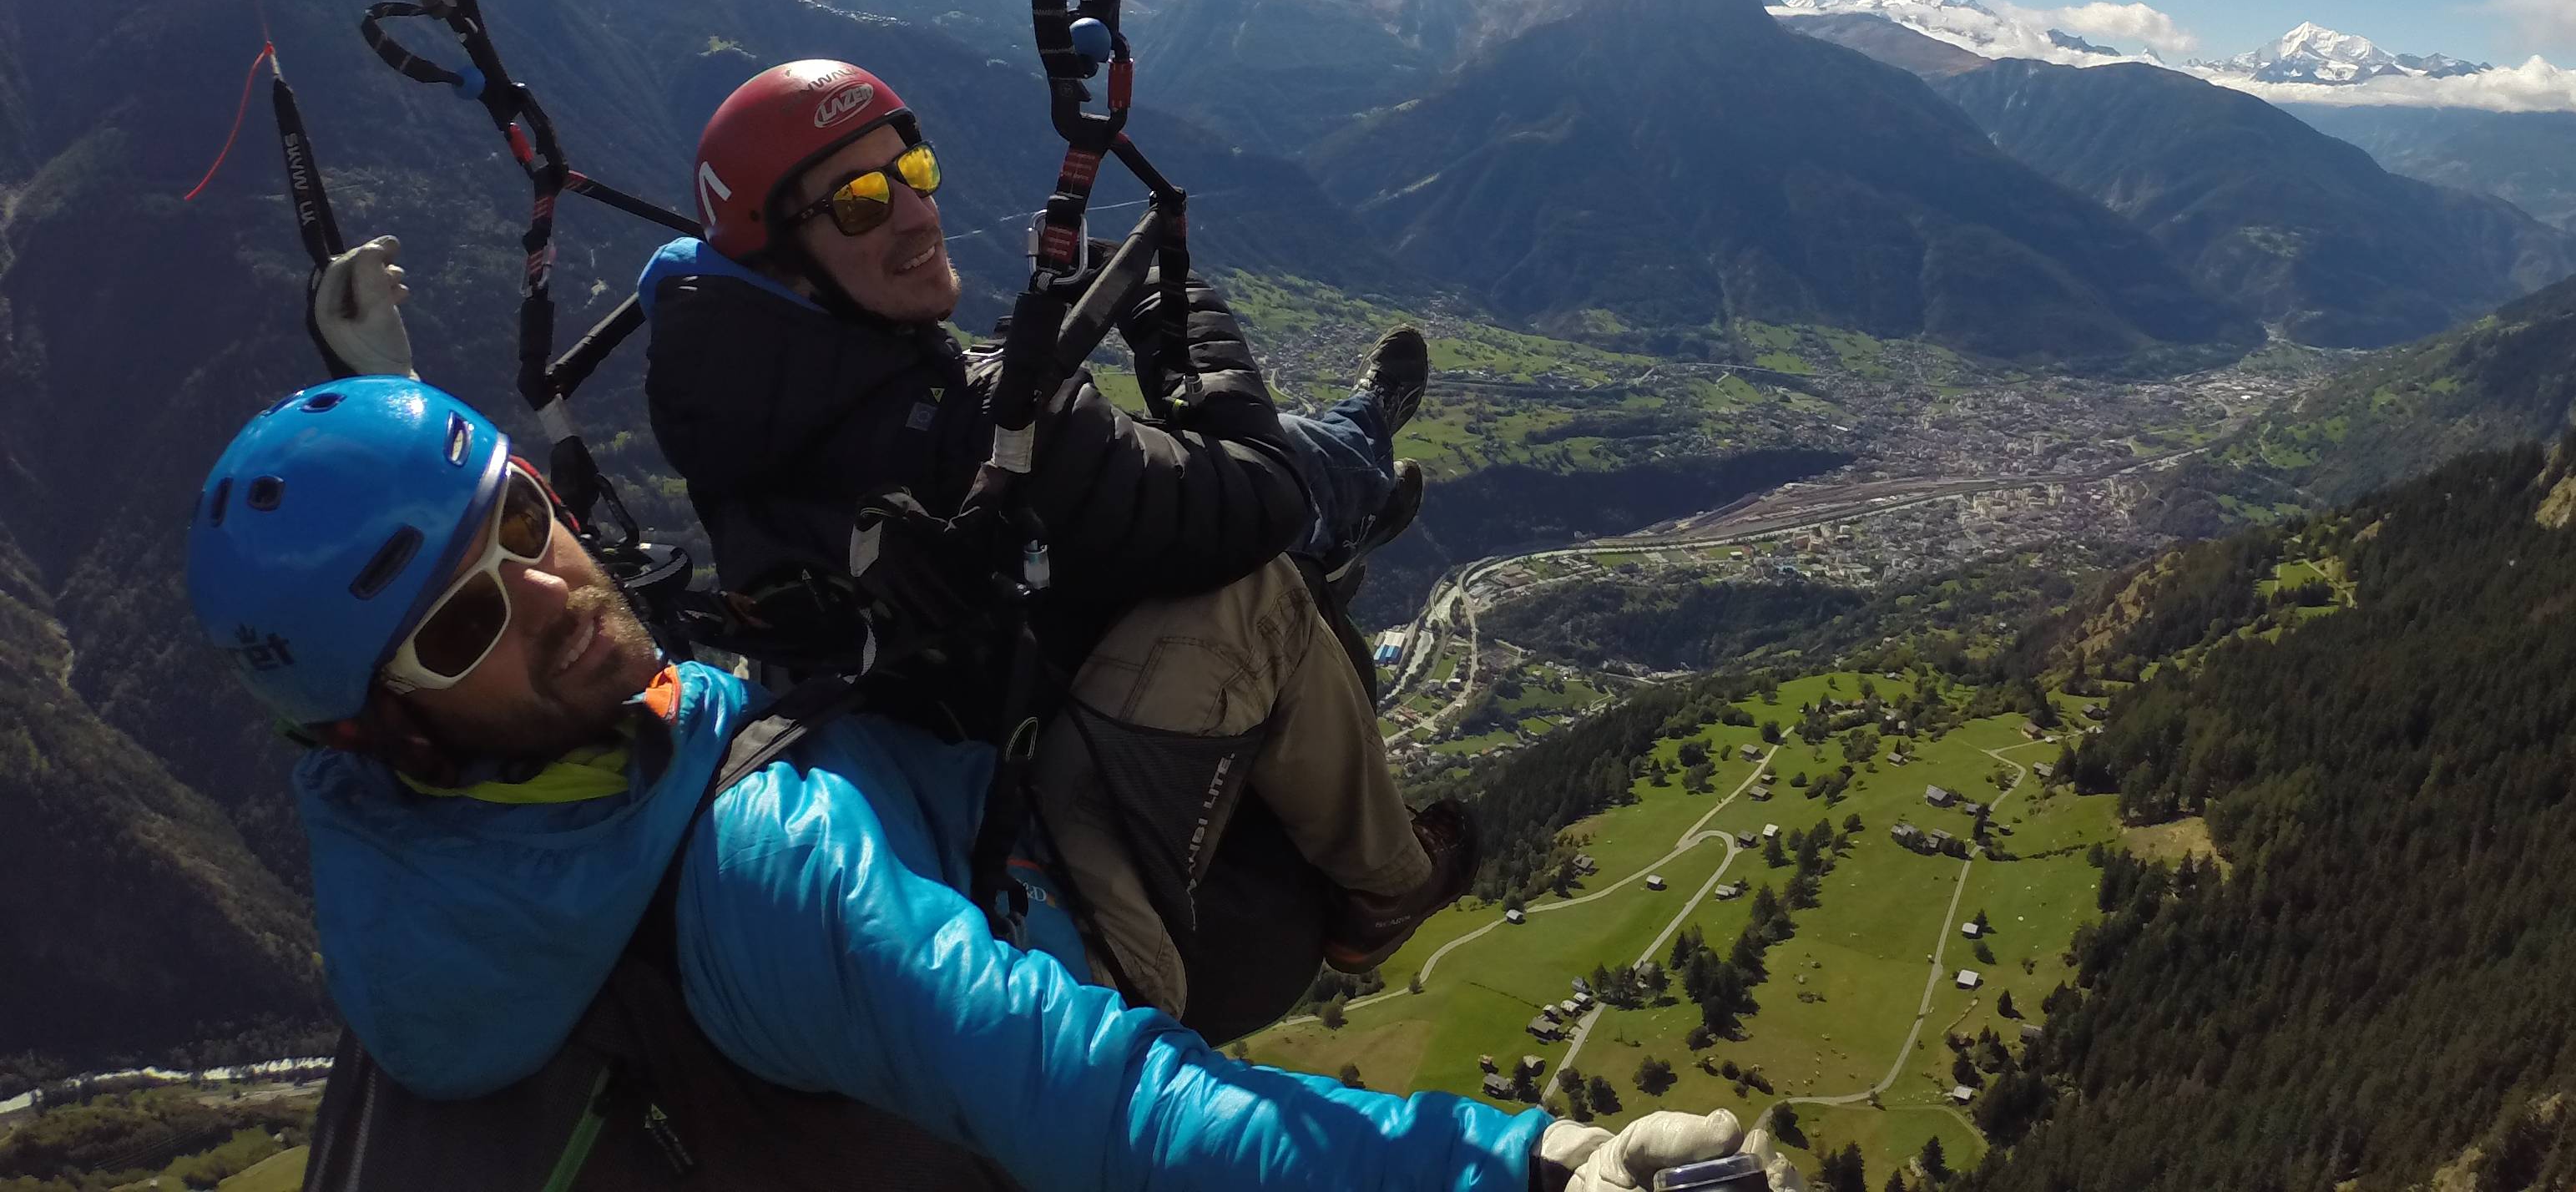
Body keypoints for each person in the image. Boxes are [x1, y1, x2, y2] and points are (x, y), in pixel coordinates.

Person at [187, 374, 1794, 1191]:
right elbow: (1105, 1096)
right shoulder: (762, 881)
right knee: (1246, 587)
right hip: (1046, 921)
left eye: (525, 523)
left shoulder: (433, 849)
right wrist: (1520, 1166)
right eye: (469, 620)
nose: (551, 593)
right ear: (390, 729)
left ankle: (1335, 461)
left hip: (939, 847)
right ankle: (1381, 881)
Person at [638, 58, 1450, 1023]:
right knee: (1274, 556)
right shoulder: (985, 432)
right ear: (779, 259)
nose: (913, 212)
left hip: (946, 708)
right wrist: (1180, 309)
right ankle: (1387, 877)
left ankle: (1359, 444)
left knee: (1297, 467)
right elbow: (1255, 497)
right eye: (857, 203)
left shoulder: (735, 394)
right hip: (1055, 829)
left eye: (915, 171)